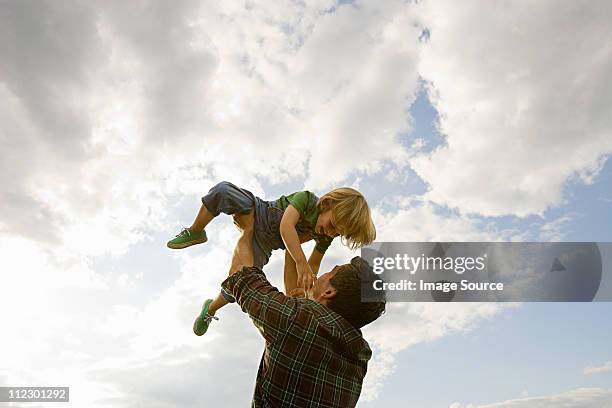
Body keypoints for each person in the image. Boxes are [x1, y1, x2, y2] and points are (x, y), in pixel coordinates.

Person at [166, 181, 376, 336]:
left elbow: (312, 264)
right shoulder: (306, 200)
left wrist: (302, 292)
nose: (330, 234)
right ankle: (196, 230)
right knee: (223, 190)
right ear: (327, 204)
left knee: (237, 281)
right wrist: (301, 263)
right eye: (332, 226)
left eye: (337, 234)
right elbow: (286, 228)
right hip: (258, 211)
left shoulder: (323, 236)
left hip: (263, 243)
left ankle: (210, 308)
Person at [222, 255, 386, 407]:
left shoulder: (297, 320)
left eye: (329, 272)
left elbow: (239, 272)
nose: (321, 275)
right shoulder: (357, 362)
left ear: (329, 292)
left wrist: (247, 230)